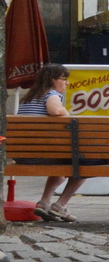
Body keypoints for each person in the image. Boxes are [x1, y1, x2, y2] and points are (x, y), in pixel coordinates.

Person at [20, 65, 81, 221]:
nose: (67, 83)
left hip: (21, 155)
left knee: (60, 170)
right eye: (64, 79)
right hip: (40, 155)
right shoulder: (52, 94)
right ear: (53, 80)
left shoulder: (29, 97)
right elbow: (54, 110)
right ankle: (61, 206)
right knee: (86, 164)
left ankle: (44, 204)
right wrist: (67, 114)